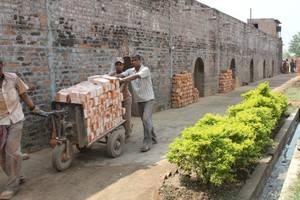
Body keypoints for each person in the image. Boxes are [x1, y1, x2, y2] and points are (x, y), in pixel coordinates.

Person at [0, 59, 46, 199]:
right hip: (0, 122)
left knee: (12, 152)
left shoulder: (12, 78)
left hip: (16, 119)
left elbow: (23, 94)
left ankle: (12, 186)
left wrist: (33, 108)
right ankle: (17, 176)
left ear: (1, 66)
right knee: (2, 156)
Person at [118, 54, 157, 152]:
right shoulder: (130, 70)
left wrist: (123, 80)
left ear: (140, 61)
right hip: (139, 100)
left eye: (135, 60)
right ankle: (154, 137)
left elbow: (135, 77)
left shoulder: (145, 70)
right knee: (146, 121)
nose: (133, 62)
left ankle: (147, 142)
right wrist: (108, 78)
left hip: (149, 99)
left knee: (145, 119)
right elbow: (121, 75)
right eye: (132, 61)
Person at [109, 57, 132, 139]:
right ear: (115, 66)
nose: (119, 66)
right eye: (117, 64)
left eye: (120, 65)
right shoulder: (112, 74)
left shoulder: (125, 75)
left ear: (123, 66)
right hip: (117, 100)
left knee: (126, 117)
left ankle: (127, 133)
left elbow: (121, 89)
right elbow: (106, 80)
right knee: (117, 117)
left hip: (126, 99)